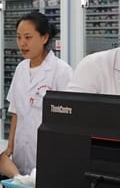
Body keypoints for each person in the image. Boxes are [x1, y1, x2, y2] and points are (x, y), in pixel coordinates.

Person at [5, 11, 73, 175]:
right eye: (19, 37)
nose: (22, 43)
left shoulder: (61, 71)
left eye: (28, 37)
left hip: (50, 154)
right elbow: (15, 112)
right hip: (20, 155)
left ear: (44, 38)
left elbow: (70, 119)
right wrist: (10, 147)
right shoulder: (21, 69)